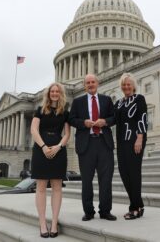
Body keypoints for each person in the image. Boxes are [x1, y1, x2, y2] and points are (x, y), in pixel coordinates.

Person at [69, 74, 116, 221]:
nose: (90, 84)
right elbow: (71, 119)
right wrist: (84, 123)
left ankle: (105, 211)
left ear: (98, 83)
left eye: (93, 82)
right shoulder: (77, 102)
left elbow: (114, 117)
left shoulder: (106, 100)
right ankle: (89, 212)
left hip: (104, 143)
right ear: (84, 85)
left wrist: (105, 122)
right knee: (86, 181)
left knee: (106, 180)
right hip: (86, 144)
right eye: (88, 83)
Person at [31, 82, 70, 238]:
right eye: (52, 91)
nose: (54, 93)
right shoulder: (40, 110)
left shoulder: (65, 112)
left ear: (60, 94)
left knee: (57, 187)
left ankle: (54, 223)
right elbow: (33, 129)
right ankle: (42, 223)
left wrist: (58, 147)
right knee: (41, 187)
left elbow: (67, 134)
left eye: (57, 91)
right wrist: (44, 147)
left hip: (58, 151)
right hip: (41, 150)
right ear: (48, 94)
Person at [114, 73, 148, 220]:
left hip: (135, 139)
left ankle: (135, 208)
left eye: (128, 84)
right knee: (123, 173)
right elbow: (112, 119)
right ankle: (138, 204)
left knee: (134, 173)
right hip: (121, 142)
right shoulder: (119, 103)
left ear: (133, 86)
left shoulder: (139, 99)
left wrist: (140, 138)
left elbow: (143, 118)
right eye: (124, 84)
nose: (126, 87)